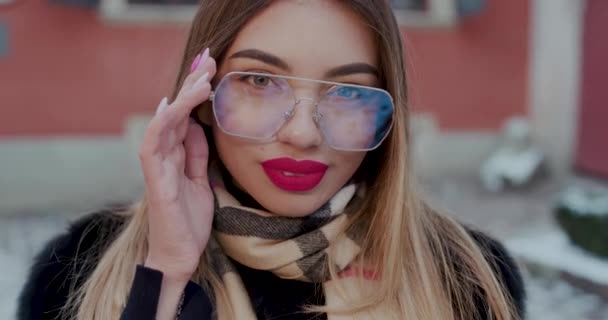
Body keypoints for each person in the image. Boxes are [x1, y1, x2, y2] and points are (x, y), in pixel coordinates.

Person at [17, 1, 526, 319]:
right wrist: (168, 274)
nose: (303, 133)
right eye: (259, 80)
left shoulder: (468, 277)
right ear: (202, 97)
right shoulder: (74, 273)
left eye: (348, 92)